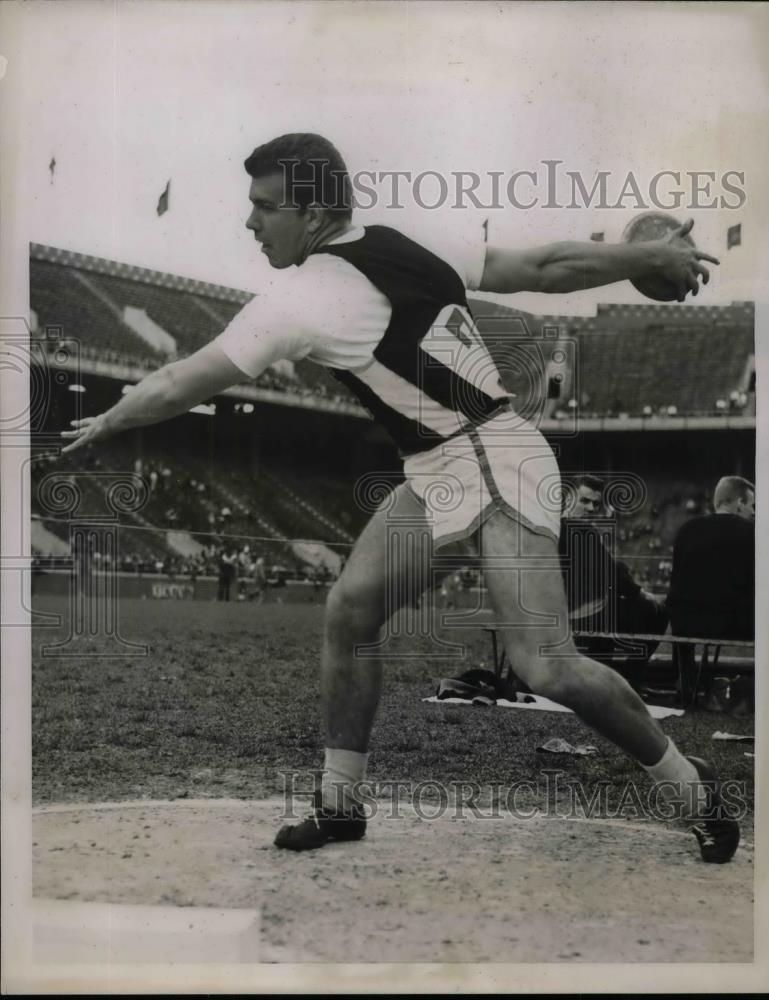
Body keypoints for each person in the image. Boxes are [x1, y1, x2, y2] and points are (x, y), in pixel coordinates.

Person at [61, 132, 736, 863]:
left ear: (313, 211)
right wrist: (645, 258)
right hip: (447, 461)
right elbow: (544, 266)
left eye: (264, 207)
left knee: (545, 665)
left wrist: (108, 417)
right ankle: (339, 802)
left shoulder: (307, 291)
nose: (250, 223)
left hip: (491, 459)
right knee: (350, 610)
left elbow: (180, 383)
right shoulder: (402, 237)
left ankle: (689, 787)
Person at [560, 475, 669, 678]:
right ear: (567, 498)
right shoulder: (581, 531)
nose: (591, 509)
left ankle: (621, 673)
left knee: (617, 606)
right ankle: (631, 676)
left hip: (566, 613)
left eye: (595, 503)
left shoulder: (554, 528)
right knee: (658, 612)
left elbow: (606, 568)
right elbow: (610, 575)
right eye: (584, 501)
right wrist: (640, 592)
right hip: (582, 616)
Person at [667, 476, 755, 704]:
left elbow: (676, 585)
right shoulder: (754, 533)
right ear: (738, 503)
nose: (755, 513)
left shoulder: (686, 530)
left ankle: (684, 683)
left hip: (688, 624)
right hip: (739, 626)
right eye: (752, 506)